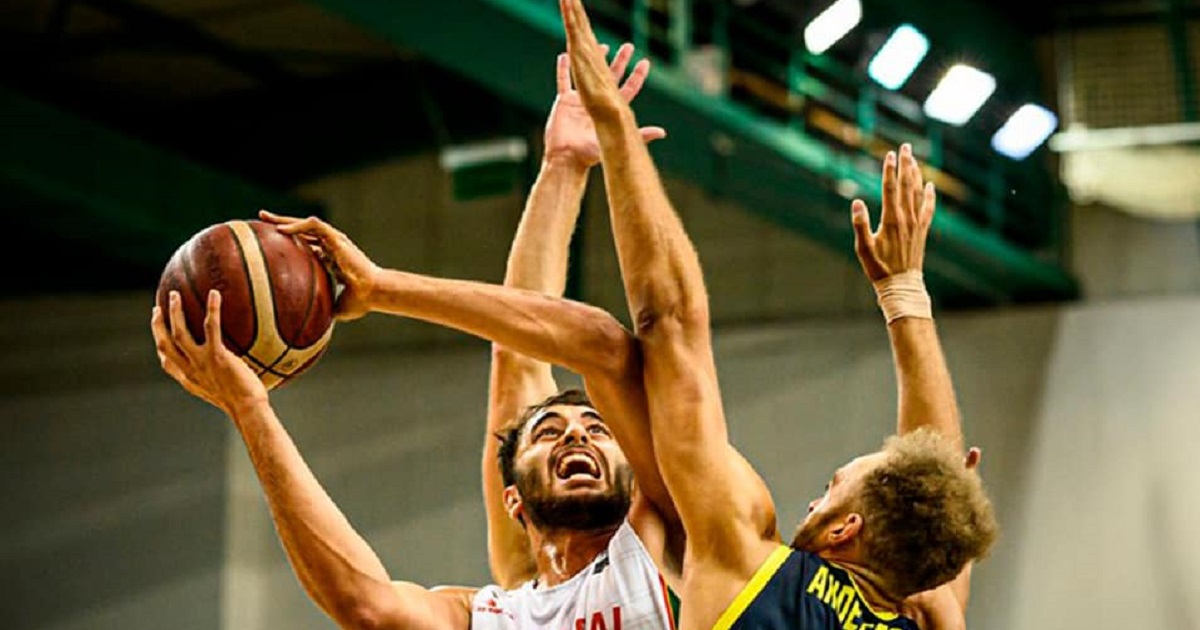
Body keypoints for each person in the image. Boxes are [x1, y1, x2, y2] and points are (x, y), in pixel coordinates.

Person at [152, 44, 688, 630]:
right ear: (513, 499)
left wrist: (382, 287)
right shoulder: (497, 613)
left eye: (597, 430)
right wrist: (249, 408)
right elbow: (366, 605)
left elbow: (590, 347)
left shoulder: (675, 542)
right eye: (551, 431)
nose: (574, 437)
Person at [552, 2, 999, 630]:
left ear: (846, 529)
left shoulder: (754, 568)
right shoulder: (925, 613)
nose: (820, 492)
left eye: (835, 481)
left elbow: (670, 320)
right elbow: (930, 496)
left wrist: (617, 131)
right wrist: (904, 295)